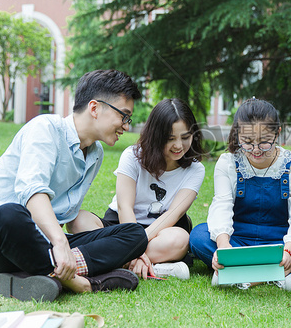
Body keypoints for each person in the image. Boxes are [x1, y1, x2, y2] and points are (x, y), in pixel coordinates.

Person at [0, 69, 149, 302]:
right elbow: (32, 193)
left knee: (134, 234)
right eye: (124, 115)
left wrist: (128, 248)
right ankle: (78, 282)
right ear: (94, 108)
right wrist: (61, 243)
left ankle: (39, 273)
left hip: (45, 244)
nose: (126, 125)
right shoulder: (45, 128)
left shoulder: (95, 154)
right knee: (8, 214)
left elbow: (68, 216)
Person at [189, 98, 291, 292]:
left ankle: (239, 274)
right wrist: (223, 246)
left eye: (264, 142)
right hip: (237, 242)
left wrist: (289, 250)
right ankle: (281, 276)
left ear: (278, 134)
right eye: (247, 142)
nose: (255, 150)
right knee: (198, 235)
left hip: (281, 243)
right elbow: (221, 205)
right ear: (238, 135)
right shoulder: (228, 162)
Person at [67, 98, 206, 280]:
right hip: (121, 226)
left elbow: (173, 214)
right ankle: (151, 266)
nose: (179, 146)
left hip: (162, 230)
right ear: (156, 136)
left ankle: (112, 261)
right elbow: (125, 207)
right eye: (170, 139)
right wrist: (131, 245)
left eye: (185, 137)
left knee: (180, 239)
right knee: (77, 220)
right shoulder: (132, 156)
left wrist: (135, 246)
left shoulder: (195, 169)